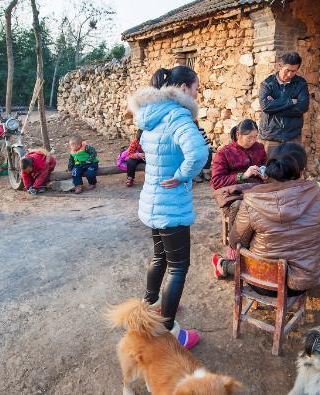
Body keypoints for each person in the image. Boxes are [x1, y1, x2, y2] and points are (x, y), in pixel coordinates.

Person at [127, 65, 210, 350]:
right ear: (184, 88)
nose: (196, 93)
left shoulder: (151, 115)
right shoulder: (177, 115)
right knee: (178, 266)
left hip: (152, 201)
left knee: (160, 256)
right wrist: (183, 175)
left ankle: (149, 305)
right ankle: (168, 329)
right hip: (170, 204)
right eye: (196, 87)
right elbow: (199, 153)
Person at [216, 143, 320, 297]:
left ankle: (224, 265)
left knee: (247, 247)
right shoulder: (319, 194)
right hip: (305, 282)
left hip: (262, 281)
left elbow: (237, 241)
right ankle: (225, 265)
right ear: (302, 171)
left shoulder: (252, 200)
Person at [210, 119, 267, 277]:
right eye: (250, 137)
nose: (253, 141)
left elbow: (265, 164)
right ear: (238, 134)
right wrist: (243, 175)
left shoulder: (259, 148)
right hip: (232, 194)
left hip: (255, 190)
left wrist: (263, 171)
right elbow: (217, 182)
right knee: (240, 205)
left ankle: (257, 243)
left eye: (255, 137)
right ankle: (234, 248)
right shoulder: (225, 153)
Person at [258, 51, 309, 155]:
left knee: (293, 169)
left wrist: (274, 108)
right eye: (287, 70)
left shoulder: (301, 84)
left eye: (294, 71)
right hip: (270, 136)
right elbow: (265, 106)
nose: (290, 74)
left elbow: (302, 107)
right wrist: (291, 101)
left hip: (293, 136)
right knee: (268, 169)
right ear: (280, 66)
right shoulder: (268, 83)